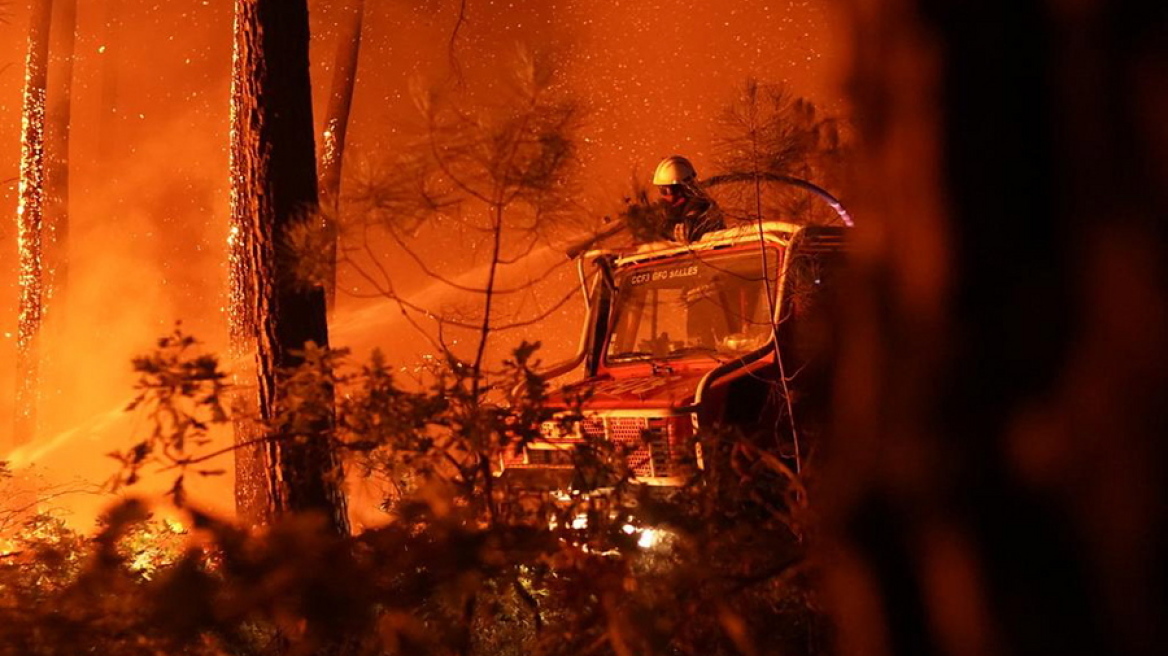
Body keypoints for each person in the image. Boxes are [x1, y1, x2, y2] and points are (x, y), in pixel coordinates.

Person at [652, 155, 725, 243]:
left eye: (674, 188)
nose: (669, 193)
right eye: (663, 189)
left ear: (686, 187)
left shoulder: (701, 205)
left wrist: (659, 226)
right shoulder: (666, 210)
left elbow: (688, 232)